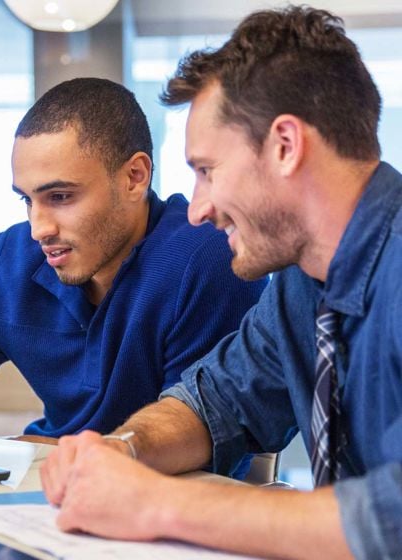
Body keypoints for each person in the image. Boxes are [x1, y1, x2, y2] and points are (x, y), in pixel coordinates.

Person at [41, 6, 401, 559]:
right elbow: (217, 401)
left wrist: (154, 504)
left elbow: (391, 517)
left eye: (207, 170)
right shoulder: (302, 286)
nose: (197, 208)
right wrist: (121, 451)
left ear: (285, 145)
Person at [0, 78, 267, 462]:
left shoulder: (208, 258)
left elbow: (204, 432)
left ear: (134, 177)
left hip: (163, 507)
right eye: (27, 200)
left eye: (60, 196)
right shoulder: (11, 259)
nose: (39, 228)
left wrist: (54, 452)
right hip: (48, 487)